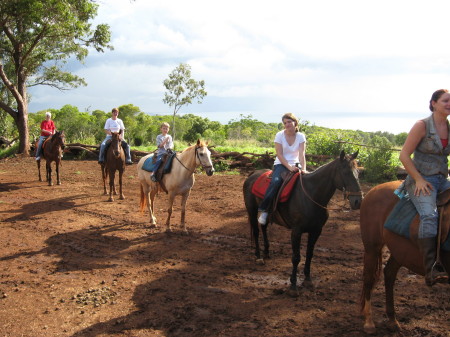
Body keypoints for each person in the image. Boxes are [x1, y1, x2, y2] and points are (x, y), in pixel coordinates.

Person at [399, 88, 450, 286]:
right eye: (445, 101)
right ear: (434, 103)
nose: (448, 104)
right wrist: (419, 180)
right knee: (429, 215)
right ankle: (431, 268)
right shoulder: (421, 126)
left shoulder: (448, 127)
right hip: (420, 179)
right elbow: (404, 155)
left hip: (441, 179)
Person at [258, 113, 306, 225]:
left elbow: (302, 154)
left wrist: (303, 169)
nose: (287, 124)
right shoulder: (279, 135)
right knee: (275, 182)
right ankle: (264, 210)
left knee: (306, 182)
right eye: (285, 123)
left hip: (296, 164)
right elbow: (279, 154)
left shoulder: (301, 136)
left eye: (289, 122)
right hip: (281, 164)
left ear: (295, 122)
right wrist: (289, 167)